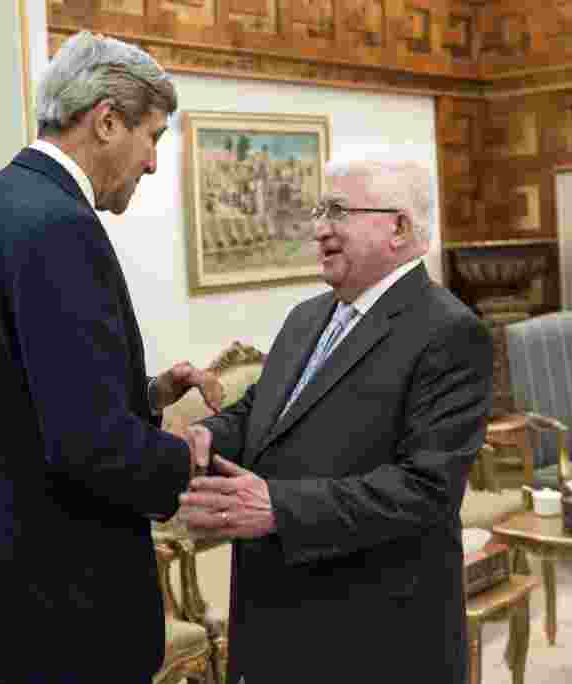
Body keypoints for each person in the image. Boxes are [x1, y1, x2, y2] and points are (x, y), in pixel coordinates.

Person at [0, 31, 219, 684]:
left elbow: (16, 391)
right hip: (64, 612)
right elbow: (89, 447)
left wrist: (142, 396)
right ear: (106, 121)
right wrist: (197, 457)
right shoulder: (59, 225)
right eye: (154, 136)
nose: (151, 164)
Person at [180, 160, 494, 684]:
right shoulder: (307, 316)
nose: (320, 227)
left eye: (340, 211)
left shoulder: (450, 332)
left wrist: (279, 507)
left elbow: (425, 489)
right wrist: (210, 434)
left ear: (399, 227)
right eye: (321, 210)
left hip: (372, 638)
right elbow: (266, 411)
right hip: (273, 620)